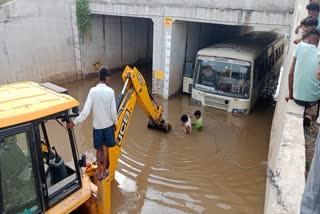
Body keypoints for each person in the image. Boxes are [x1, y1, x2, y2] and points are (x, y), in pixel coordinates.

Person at [67, 67, 117, 180]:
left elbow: (85, 112)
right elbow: (113, 111)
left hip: (98, 127)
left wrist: (74, 123)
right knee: (106, 149)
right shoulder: (111, 92)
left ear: (99, 77)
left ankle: (98, 172)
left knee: (98, 150)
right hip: (108, 126)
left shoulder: (92, 91)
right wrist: (115, 122)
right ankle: (104, 172)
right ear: (107, 78)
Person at [286, 29, 320, 126]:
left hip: (297, 99)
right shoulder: (318, 53)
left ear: (308, 40)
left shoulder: (299, 47)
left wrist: (291, 96)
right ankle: (312, 113)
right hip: (314, 99)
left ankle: (307, 111)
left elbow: (290, 74)